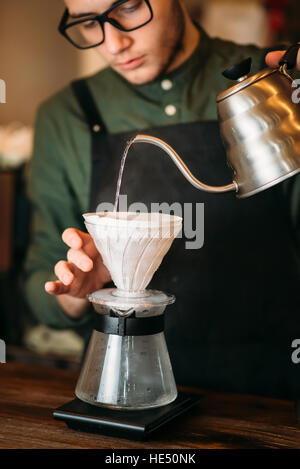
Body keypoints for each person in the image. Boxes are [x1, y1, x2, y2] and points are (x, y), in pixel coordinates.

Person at [24, 0, 300, 398]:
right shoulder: (64, 115)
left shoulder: (270, 84)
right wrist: (75, 290)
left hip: (269, 392)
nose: (114, 43)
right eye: (88, 24)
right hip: (125, 392)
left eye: (130, 7)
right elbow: (37, 284)